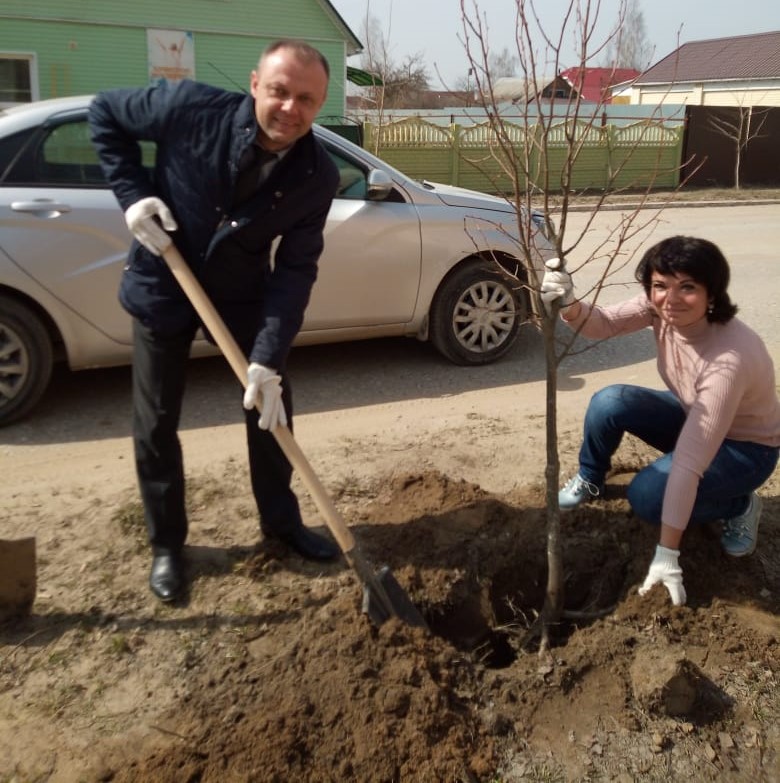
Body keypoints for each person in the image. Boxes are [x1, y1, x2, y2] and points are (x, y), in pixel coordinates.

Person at [88, 39, 341, 602]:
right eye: (278, 91)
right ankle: (167, 547)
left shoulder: (315, 177)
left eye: (305, 98)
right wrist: (133, 197)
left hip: (239, 291)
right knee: (155, 421)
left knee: (271, 408)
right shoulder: (189, 109)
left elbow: (296, 271)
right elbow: (104, 112)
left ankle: (281, 524)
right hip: (164, 280)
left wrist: (268, 358)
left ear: (320, 104)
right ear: (255, 84)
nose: (289, 108)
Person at [541, 236, 780, 606]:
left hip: (745, 448)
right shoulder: (659, 309)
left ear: (711, 293)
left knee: (648, 496)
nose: (670, 298)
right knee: (610, 401)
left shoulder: (728, 360)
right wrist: (569, 304)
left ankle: (740, 506)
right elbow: (602, 323)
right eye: (660, 285)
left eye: (688, 287)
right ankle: (591, 480)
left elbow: (688, 462)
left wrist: (668, 556)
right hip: (694, 413)